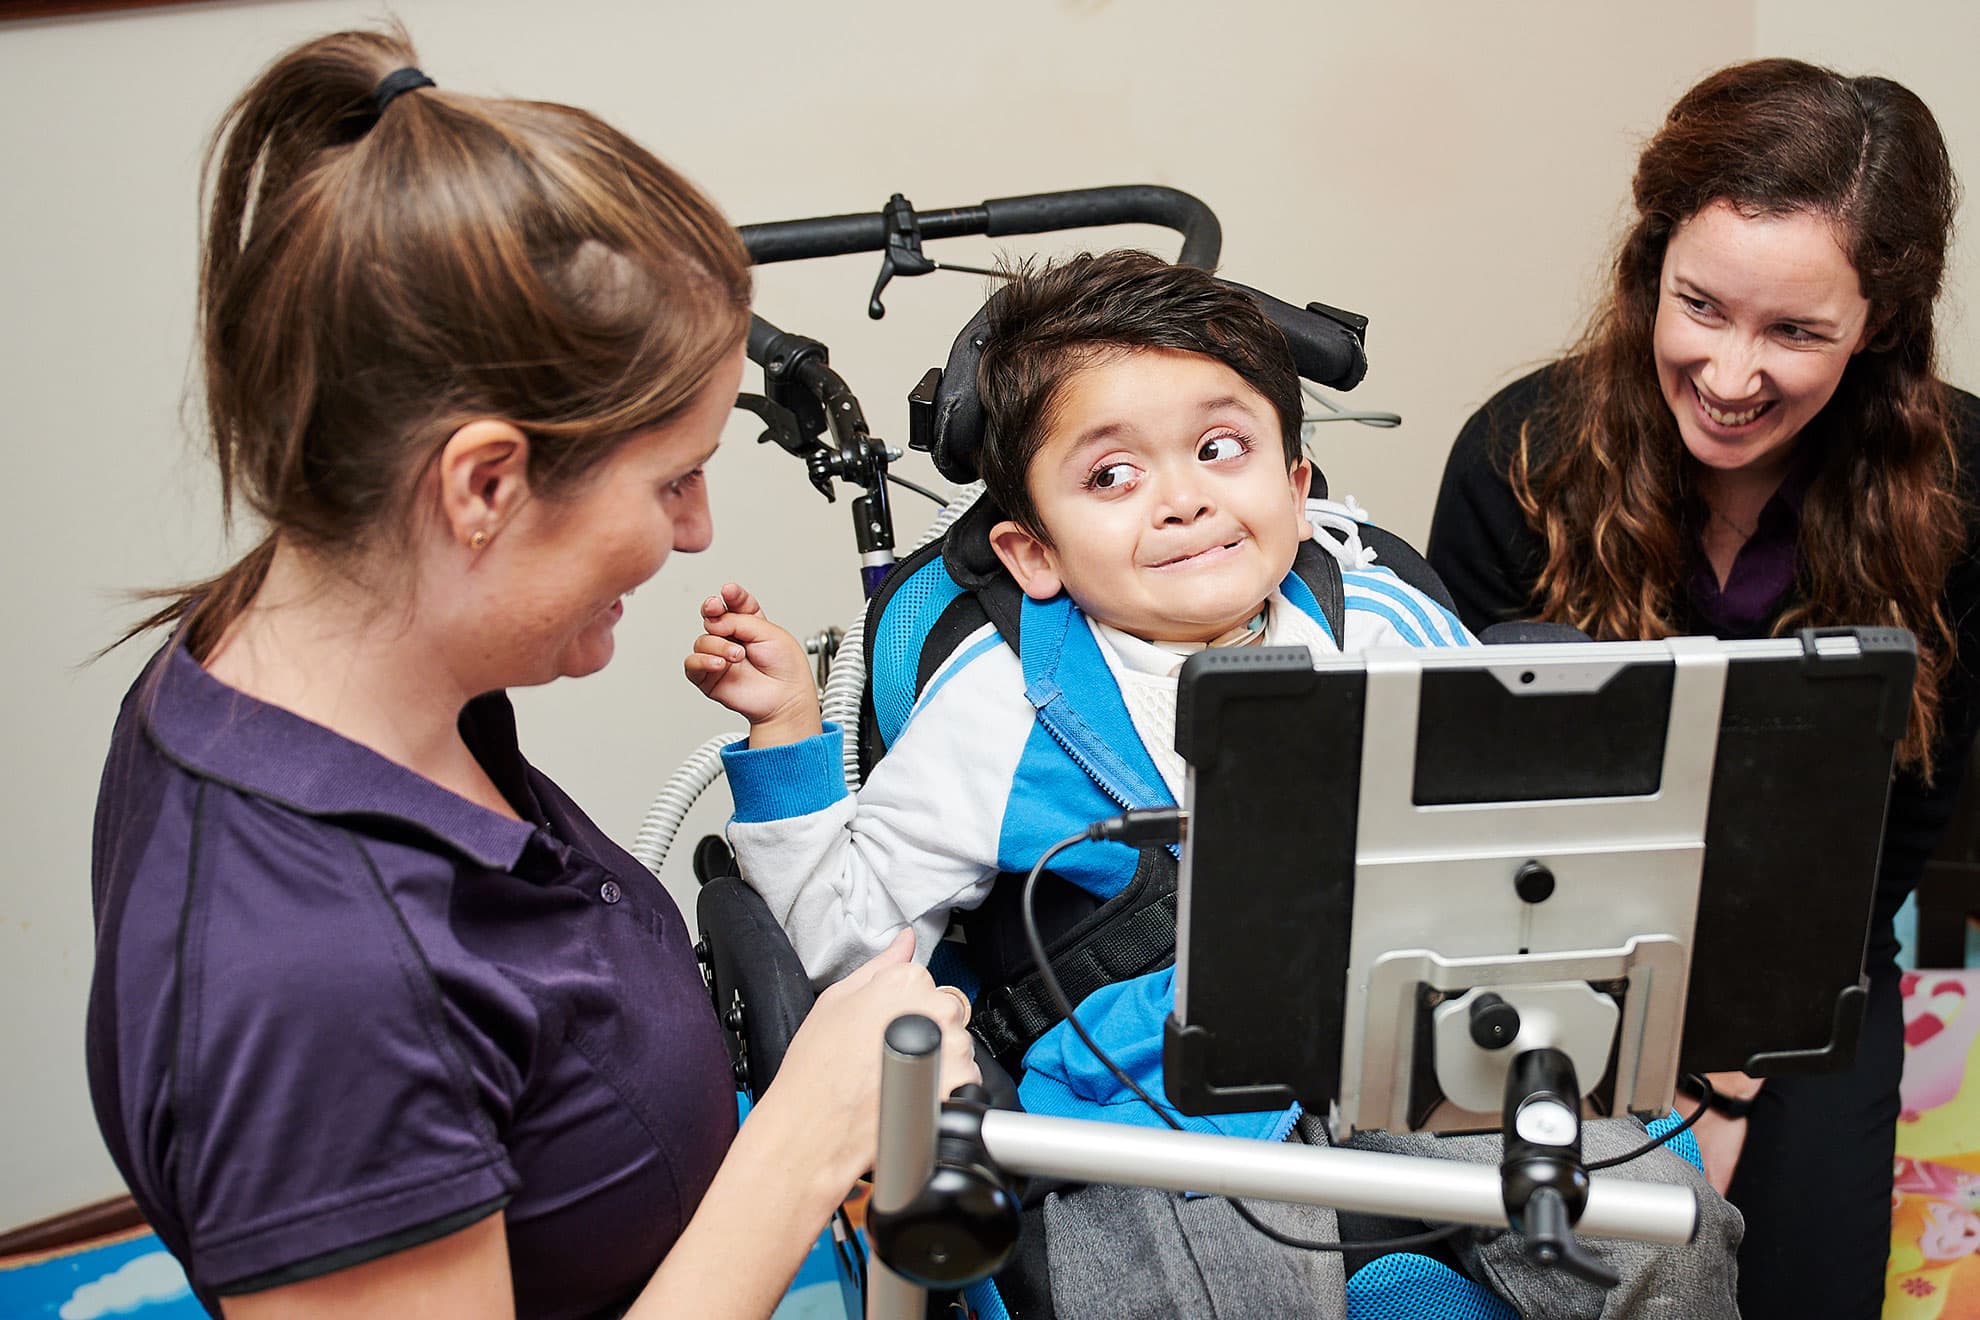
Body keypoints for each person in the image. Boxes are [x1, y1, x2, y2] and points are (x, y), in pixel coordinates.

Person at [85, 26, 976, 1320]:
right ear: (485, 485)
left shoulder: (306, 663)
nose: (697, 535)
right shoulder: (309, 978)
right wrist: (808, 1139)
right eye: (673, 478)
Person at [687, 250, 1740, 1318]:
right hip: (1154, 1087)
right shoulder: (1000, 704)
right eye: (1112, 476)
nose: (1183, 498)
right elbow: (842, 942)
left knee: (1658, 1225)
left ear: (1294, 484)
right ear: (1032, 551)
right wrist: (785, 737)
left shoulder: (1385, 628)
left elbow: (1531, 869)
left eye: (1219, 448)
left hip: (1419, 1033)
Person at [1425, 57, 1980, 1320]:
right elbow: (1460, 806)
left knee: (1801, 1277)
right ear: (1651, 269)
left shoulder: (1965, 490)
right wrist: (1639, 1078)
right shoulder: (1519, 458)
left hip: (1807, 956)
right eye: (1702, 309)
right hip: (1549, 949)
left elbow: (1897, 827)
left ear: (1879, 323)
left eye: (1796, 332)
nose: (1733, 376)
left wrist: (1722, 1079)